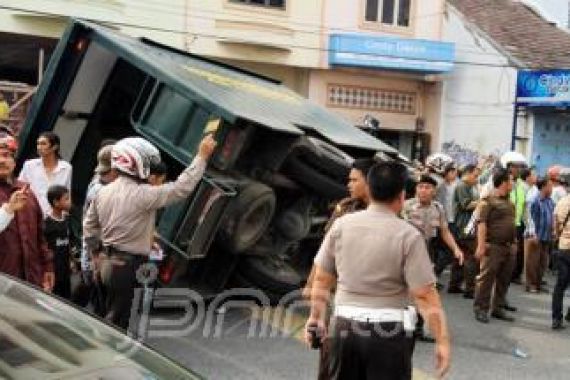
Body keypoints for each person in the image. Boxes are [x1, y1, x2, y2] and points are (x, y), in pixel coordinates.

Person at [305, 162, 451, 380]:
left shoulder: (342, 225)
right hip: (388, 334)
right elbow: (424, 295)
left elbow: (323, 278)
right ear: (402, 196)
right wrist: (442, 341)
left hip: (343, 327)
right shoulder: (409, 235)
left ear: (370, 190)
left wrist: (315, 318)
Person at [83, 135, 216, 330]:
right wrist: (201, 156)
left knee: (101, 316)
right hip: (127, 268)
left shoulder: (103, 191)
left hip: (105, 263)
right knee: (116, 325)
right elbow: (182, 188)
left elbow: (89, 227)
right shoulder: (143, 194)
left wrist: (96, 255)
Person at [302, 158, 375, 380]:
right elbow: (325, 250)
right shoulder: (345, 208)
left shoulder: (386, 212)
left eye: (354, 180)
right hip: (337, 289)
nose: (349, 185)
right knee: (330, 353)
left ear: (370, 181)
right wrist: (310, 284)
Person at [0, 134, 54, 290]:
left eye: (7, 155)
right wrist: (8, 209)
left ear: (14, 161)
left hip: (30, 280)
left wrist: (47, 267)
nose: (2, 161)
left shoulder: (27, 191)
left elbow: (39, 235)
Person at [473, 169, 517, 324]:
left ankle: (497, 308)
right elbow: (481, 224)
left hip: (508, 247)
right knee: (486, 279)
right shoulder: (487, 201)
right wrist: (480, 246)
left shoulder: (510, 203)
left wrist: (514, 245)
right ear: (504, 182)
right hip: (493, 247)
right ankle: (481, 308)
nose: (513, 183)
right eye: (511, 180)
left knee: (504, 279)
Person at [78, 144, 118, 313]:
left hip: (98, 253)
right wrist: (93, 256)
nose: (103, 175)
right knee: (96, 302)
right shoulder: (100, 190)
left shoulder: (102, 183)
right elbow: (91, 228)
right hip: (98, 253)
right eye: (103, 172)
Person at [19, 131, 73, 216]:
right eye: (38, 144)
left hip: (53, 216)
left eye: (43, 144)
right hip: (30, 213)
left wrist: (64, 213)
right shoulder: (29, 165)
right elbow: (20, 187)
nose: (39, 147)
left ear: (54, 147)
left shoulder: (66, 168)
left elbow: (67, 192)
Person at [449, 164, 480, 298]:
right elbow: (466, 205)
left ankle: (455, 285)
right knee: (471, 257)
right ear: (467, 173)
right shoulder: (462, 186)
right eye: (475, 175)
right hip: (464, 225)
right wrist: (482, 201)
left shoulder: (470, 186)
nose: (477, 178)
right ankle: (469, 289)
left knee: (460, 256)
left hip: (465, 225)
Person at [44, 185, 76, 299]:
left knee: (66, 297)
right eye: (66, 199)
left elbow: (68, 242)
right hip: (53, 271)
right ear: (56, 202)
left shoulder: (67, 220)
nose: (69, 201)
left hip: (65, 269)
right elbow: (44, 249)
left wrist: (72, 260)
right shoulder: (46, 224)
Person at [526, 177, 554, 293]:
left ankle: (538, 282)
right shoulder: (534, 200)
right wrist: (533, 234)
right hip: (535, 236)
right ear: (543, 187)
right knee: (533, 261)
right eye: (549, 186)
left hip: (546, 236)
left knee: (543, 262)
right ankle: (531, 284)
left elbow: (552, 216)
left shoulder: (549, 201)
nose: (551, 188)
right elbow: (528, 218)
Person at [551, 190, 570, 330]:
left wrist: (561, 236)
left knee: (560, 286)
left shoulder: (561, 202)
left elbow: (555, 226)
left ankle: (556, 319)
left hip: (563, 247)